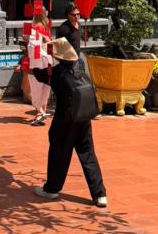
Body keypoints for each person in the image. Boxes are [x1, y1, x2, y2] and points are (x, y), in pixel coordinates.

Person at [34, 37, 107, 207]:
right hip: (84, 118)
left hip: (65, 121)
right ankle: (100, 194)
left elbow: (38, 73)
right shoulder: (80, 65)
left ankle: (51, 189)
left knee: (59, 155)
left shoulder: (57, 73)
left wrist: (35, 56)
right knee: (88, 155)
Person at [26, 11, 53, 125]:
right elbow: (50, 44)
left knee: (36, 87)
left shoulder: (35, 27)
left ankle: (39, 113)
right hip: (48, 61)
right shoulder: (46, 26)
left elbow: (32, 46)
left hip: (38, 62)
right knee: (45, 88)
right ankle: (43, 112)